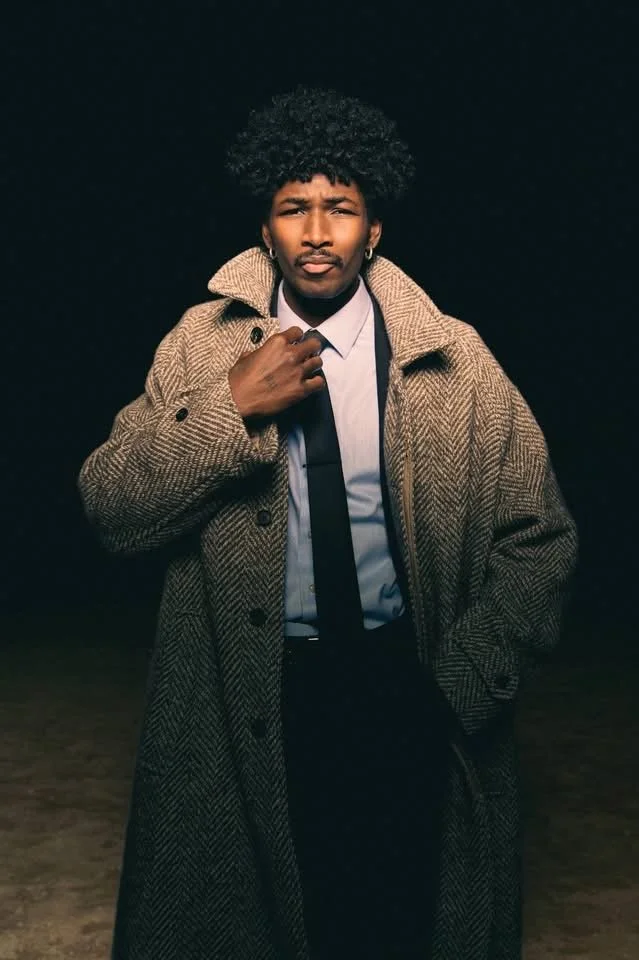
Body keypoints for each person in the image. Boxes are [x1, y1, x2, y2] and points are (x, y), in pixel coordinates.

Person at [78, 86, 578, 960]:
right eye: (293, 208)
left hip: (404, 683)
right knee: (265, 918)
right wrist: (229, 406)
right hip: (255, 692)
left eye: (340, 208)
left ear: (373, 230)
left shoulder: (452, 359)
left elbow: (541, 535)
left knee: (392, 915)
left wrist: (464, 679)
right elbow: (112, 507)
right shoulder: (200, 344)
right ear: (264, 229)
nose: (316, 231)